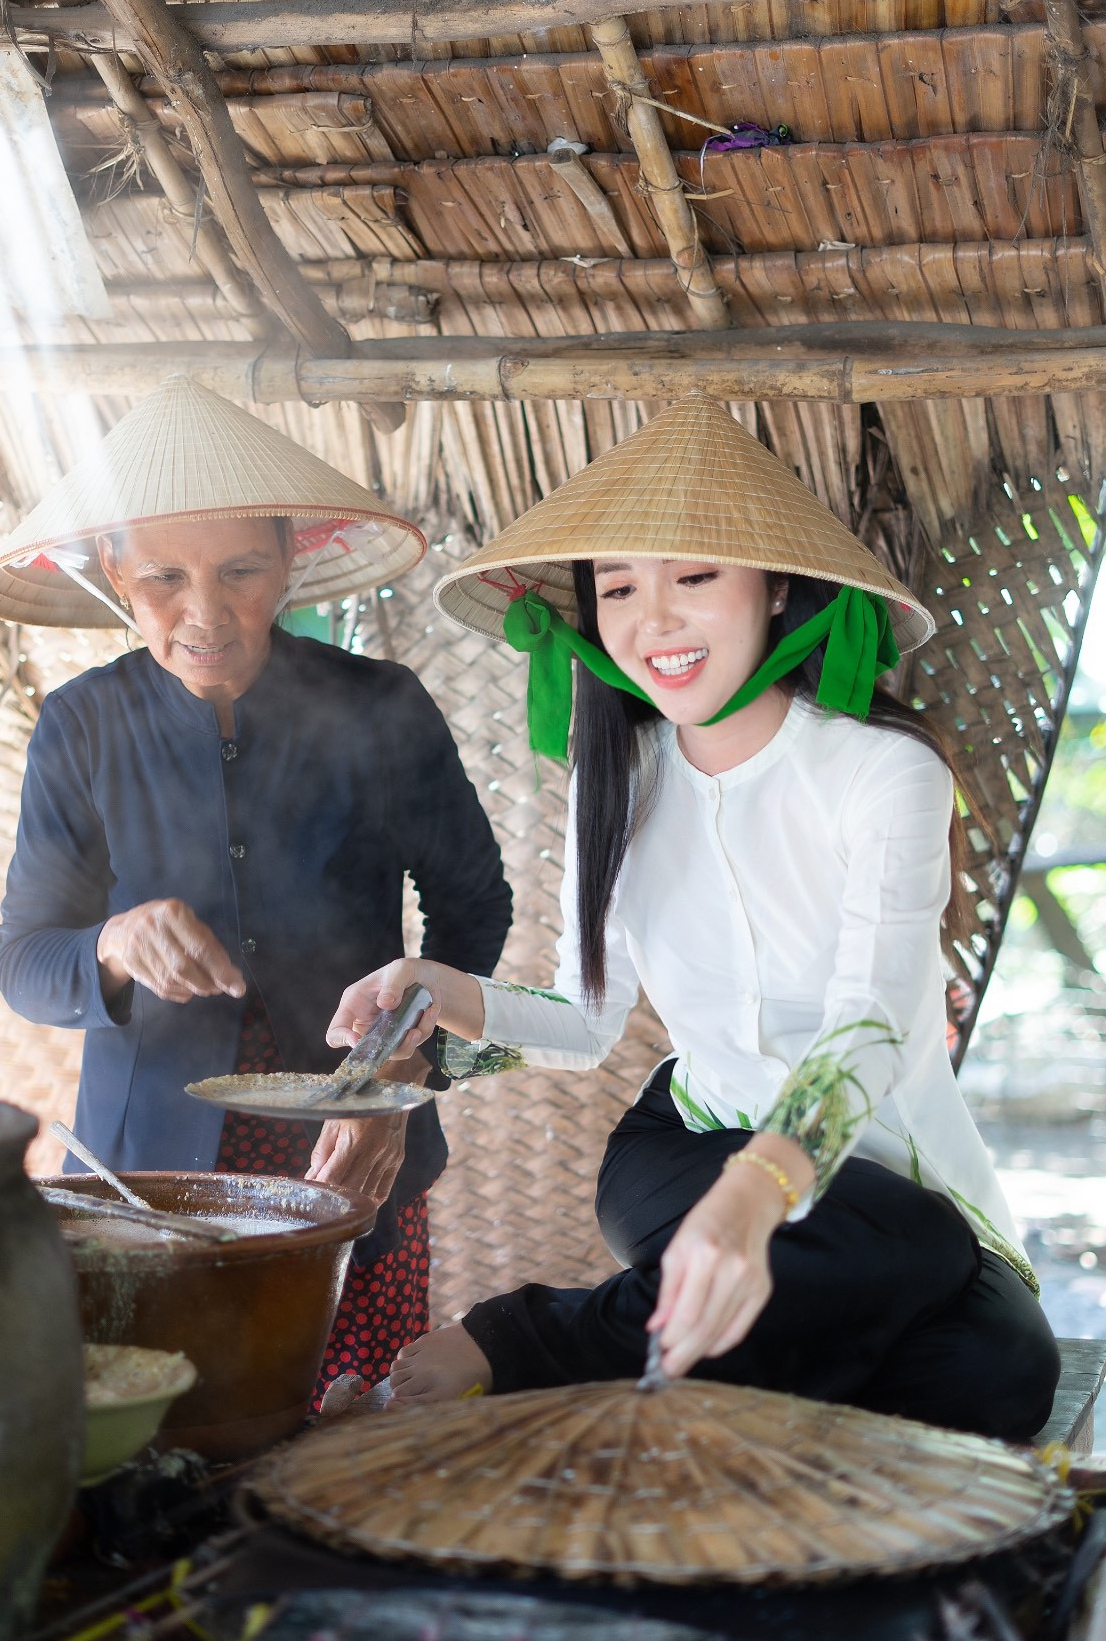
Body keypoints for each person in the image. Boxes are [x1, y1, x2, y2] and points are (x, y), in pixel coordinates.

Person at [327, 396, 1059, 1441]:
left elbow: (874, 1025)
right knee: (902, 1250)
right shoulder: (615, 776)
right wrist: (438, 1000)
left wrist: (762, 1190)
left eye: (695, 578)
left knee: (994, 1367)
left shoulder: (886, 773)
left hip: (874, 1181)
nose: (652, 620)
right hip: (685, 1145)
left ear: (775, 591)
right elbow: (584, 1025)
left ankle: (690, 1378)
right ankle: (518, 1338)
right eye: (618, 586)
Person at [0, 376, 511, 1397]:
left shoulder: (382, 709)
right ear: (115, 572)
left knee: (357, 1421)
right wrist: (110, 944)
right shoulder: (81, 728)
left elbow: (475, 906)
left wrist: (403, 1065)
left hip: (359, 1145)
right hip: (148, 1177)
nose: (206, 612)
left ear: (293, 559)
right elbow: (23, 961)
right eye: (164, 577)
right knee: (165, 1433)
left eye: (242, 569)